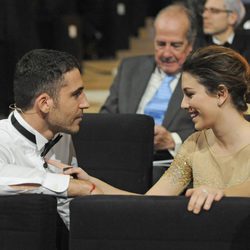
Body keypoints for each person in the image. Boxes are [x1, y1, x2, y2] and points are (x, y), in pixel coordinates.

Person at [50, 45, 250, 214]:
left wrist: (222, 194)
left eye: (190, 94)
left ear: (221, 94)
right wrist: (91, 184)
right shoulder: (194, 144)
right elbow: (150, 204)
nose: (183, 104)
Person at [0, 49, 102, 229]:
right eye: (76, 94)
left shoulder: (61, 135)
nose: (85, 103)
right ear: (45, 103)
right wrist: (67, 185)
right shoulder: (3, 140)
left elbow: (67, 212)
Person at [100, 3, 197, 160]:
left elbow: (213, 129)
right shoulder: (129, 68)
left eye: (175, 45)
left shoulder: (201, 76)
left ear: (190, 45)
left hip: (174, 163)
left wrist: (173, 141)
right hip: (124, 156)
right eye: (160, 44)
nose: (166, 53)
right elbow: (107, 116)